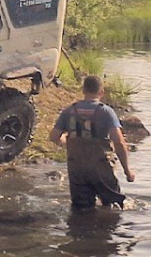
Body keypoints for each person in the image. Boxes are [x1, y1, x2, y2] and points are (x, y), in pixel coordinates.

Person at [49, 74, 135, 211]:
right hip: (100, 167)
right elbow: (119, 143)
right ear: (101, 92)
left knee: (80, 209)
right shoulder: (106, 112)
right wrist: (127, 171)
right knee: (114, 207)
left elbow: (54, 136)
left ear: (83, 91)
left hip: (76, 168)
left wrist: (67, 143)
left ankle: (77, 231)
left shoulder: (69, 111)